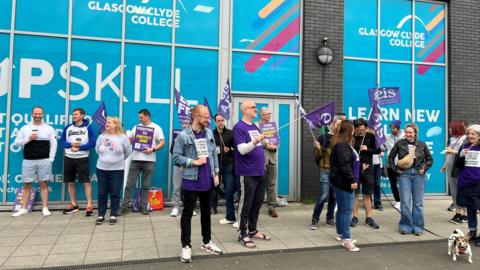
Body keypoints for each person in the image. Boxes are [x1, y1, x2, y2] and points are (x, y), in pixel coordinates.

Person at [173, 105, 223, 263]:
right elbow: (176, 157)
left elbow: (214, 153)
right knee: (187, 214)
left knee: (206, 213)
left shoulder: (209, 133)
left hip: (207, 181)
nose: (209, 119)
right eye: (206, 117)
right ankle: (186, 246)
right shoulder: (183, 135)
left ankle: (207, 242)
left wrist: (216, 172)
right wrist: (193, 161)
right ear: (196, 117)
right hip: (190, 181)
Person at [234, 100, 271, 248]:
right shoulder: (239, 127)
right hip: (247, 171)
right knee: (246, 203)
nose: (256, 109)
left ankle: (252, 229)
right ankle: (242, 233)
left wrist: (265, 142)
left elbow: (259, 146)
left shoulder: (255, 126)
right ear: (244, 110)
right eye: (253, 107)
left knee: (257, 202)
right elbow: (242, 149)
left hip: (260, 171)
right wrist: (255, 141)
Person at [12, 106, 57, 217]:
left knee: (43, 183)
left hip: (44, 160)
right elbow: (16, 143)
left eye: (40, 114)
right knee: (27, 185)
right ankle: (23, 208)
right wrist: (28, 139)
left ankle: (45, 207)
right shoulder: (25, 128)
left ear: (43, 114)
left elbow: (54, 144)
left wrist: (51, 159)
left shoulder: (49, 128)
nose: (38, 116)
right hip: (28, 160)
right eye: (35, 113)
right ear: (32, 114)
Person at [388, 123, 433, 236]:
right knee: (405, 202)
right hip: (404, 175)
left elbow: (430, 159)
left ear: (415, 133)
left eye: (410, 132)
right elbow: (390, 158)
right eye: (406, 132)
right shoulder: (399, 143)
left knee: (418, 203)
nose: (408, 134)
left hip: (419, 175)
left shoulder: (422, 145)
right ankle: (405, 226)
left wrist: (424, 168)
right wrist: (396, 170)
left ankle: (418, 227)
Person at [119, 109, 165, 216]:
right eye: (139, 117)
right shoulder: (136, 127)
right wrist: (127, 136)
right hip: (135, 159)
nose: (140, 119)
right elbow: (130, 141)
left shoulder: (156, 128)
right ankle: (124, 207)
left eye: (141, 117)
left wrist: (153, 149)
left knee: (146, 185)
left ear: (147, 116)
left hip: (150, 160)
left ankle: (144, 206)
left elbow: (162, 142)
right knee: (129, 184)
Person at [330, 120, 360, 252]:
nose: (354, 131)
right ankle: (346, 239)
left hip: (340, 181)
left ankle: (341, 235)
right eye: (353, 129)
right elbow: (344, 165)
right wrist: (352, 179)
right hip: (344, 182)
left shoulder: (341, 143)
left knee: (342, 209)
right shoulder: (343, 145)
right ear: (349, 131)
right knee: (347, 210)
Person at [60, 108, 96, 216]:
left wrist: (80, 147)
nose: (74, 116)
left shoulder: (88, 128)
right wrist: (71, 145)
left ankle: (89, 205)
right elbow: (61, 142)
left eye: (76, 114)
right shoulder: (68, 127)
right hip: (69, 157)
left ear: (82, 115)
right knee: (70, 181)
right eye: (73, 114)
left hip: (82, 158)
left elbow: (93, 143)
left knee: (86, 181)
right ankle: (74, 204)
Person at [95, 117, 131, 225]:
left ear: (116, 125)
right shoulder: (101, 136)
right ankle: (101, 215)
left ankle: (113, 214)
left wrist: (117, 160)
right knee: (102, 192)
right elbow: (97, 150)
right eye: (106, 122)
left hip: (117, 170)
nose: (107, 124)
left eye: (109, 122)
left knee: (115, 192)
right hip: (101, 168)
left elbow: (128, 152)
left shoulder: (123, 137)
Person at [309, 115, 342, 230]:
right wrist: (317, 148)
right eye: (337, 125)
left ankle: (330, 218)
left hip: (337, 172)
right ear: (332, 125)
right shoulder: (323, 137)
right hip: (326, 170)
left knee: (334, 196)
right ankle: (315, 219)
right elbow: (317, 157)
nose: (338, 127)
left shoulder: (341, 139)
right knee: (323, 195)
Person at [351, 118, 381, 229]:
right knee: (355, 194)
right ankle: (355, 217)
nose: (362, 132)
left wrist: (367, 148)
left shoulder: (370, 136)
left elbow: (378, 151)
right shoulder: (351, 137)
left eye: (364, 130)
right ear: (355, 128)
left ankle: (369, 218)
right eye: (360, 131)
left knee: (367, 194)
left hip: (368, 168)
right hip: (354, 169)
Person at [454, 124, 480, 247]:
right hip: (466, 182)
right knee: (470, 208)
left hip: (478, 182)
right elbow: (458, 164)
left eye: (473, 134)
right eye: (468, 133)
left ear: (479, 136)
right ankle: (472, 231)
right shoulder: (464, 146)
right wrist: (461, 156)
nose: (470, 136)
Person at [213, 113, 239, 225]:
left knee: (229, 191)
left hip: (228, 165)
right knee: (214, 187)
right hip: (216, 165)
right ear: (215, 122)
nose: (220, 122)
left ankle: (230, 216)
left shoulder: (230, 133)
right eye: (218, 121)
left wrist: (230, 149)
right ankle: (213, 207)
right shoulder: (211, 134)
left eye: (222, 120)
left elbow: (236, 149)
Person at [441, 120, 467, 223]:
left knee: (462, 190)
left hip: (460, 167)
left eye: (451, 127)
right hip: (450, 167)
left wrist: (455, 151)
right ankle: (458, 212)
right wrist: (445, 165)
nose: (449, 129)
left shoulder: (465, 140)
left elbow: (465, 153)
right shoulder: (451, 139)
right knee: (454, 190)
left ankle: (466, 214)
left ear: (457, 128)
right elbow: (448, 154)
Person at [259, 108, 279, 218]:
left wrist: (275, 146)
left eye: (269, 114)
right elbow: (255, 140)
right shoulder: (256, 126)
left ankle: (271, 208)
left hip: (272, 159)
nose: (269, 116)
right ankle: (255, 206)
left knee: (271, 184)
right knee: (258, 184)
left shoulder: (272, 127)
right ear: (261, 115)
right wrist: (265, 144)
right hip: (260, 160)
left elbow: (277, 141)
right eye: (266, 114)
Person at [170, 120, 193, 217]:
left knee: (190, 188)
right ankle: (176, 206)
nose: (184, 125)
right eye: (183, 123)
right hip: (179, 166)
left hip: (190, 166)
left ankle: (189, 207)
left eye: (187, 123)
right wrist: (175, 144)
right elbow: (172, 152)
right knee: (177, 187)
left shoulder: (194, 136)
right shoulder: (177, 136)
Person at [385, 120, 404, 210]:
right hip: (390, 164)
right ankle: (398, 201)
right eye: (391, 128)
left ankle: (405, 200)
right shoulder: (387, 137)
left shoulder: (404, 136)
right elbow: (383, 148)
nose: (392, 129)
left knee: (403, 182)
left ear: (398, 128)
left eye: (394, 128)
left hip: (401, 164)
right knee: (393, 183)